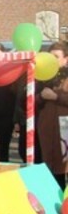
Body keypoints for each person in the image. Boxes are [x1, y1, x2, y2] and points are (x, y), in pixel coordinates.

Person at [36, 42, 68, 187]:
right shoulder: (42, 76)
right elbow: (29, 100)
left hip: (65, 128)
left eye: (56, 56)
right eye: (50, 56)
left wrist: (57, 97)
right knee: (52, 170)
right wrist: (41, 97)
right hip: (47, 128)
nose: (52, 60)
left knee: (64, 165)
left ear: (65, 59)